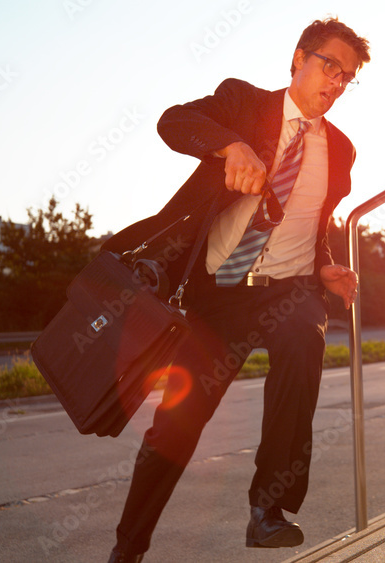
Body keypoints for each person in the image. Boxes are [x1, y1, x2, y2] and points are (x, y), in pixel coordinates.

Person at [103, 17, 370, 562]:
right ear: (298, 58)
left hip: (289, 291)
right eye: (329, 66)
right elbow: (172, 122)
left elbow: (312, 227)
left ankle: (268, 510)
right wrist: (231, 147)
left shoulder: (341, 152)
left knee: (304, 343)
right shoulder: (243, 103)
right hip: (220, 292)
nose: (336, 83)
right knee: (176, 425)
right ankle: (127, 550)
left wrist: (325, 268)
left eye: (347, 78)